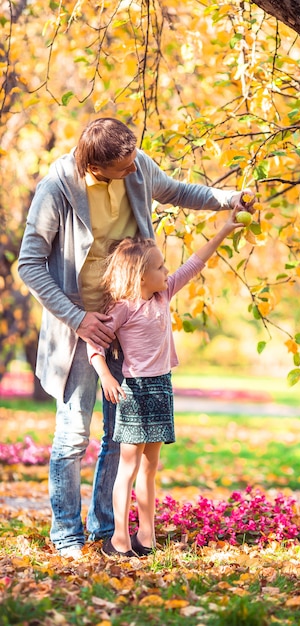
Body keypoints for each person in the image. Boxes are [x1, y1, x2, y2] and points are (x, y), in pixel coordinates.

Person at [17, 117, 254, 560]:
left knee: (116, 436)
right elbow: (29, 264)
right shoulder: (57, 190)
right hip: (78, 328)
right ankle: (66, 535)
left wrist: (229, 198)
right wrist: (77, 318)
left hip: (126, 325)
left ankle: (107, 532)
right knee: (71, 436)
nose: (135, 170)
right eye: (124, 166)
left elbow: (179, 191)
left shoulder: (137, 166)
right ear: (97, 165)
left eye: (134, 161)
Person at [87, 210, 244, 559]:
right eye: (159, 267)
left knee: (150, 466)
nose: (166, 272)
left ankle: (147, 536)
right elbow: (94, 344)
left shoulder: (164, 294)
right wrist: (107, 376)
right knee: (127, 467)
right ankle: (118, 539)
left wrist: (224, 231)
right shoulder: (124, 308)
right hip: (135, 392)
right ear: (141, 276)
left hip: (161, 388)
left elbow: (195, 263)